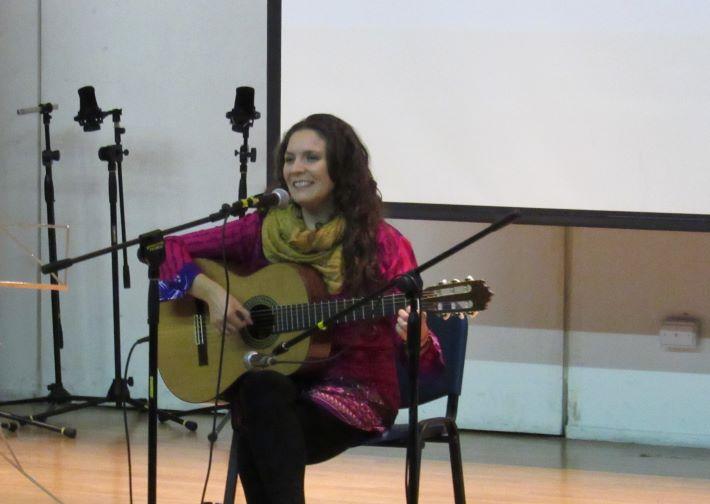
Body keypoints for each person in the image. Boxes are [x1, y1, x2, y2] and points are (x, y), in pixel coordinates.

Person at [158, 113, 444, 503]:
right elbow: (164, 249)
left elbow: (424, 364)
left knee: (260, 419)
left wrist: (419, 337)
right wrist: (212, 293)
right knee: (260, 392)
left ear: (340, 168)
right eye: (290, 159)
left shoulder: (383, 245)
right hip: (280, 389)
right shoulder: (264, 228)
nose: (296, 169)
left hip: (355, 393)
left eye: (311, 158)